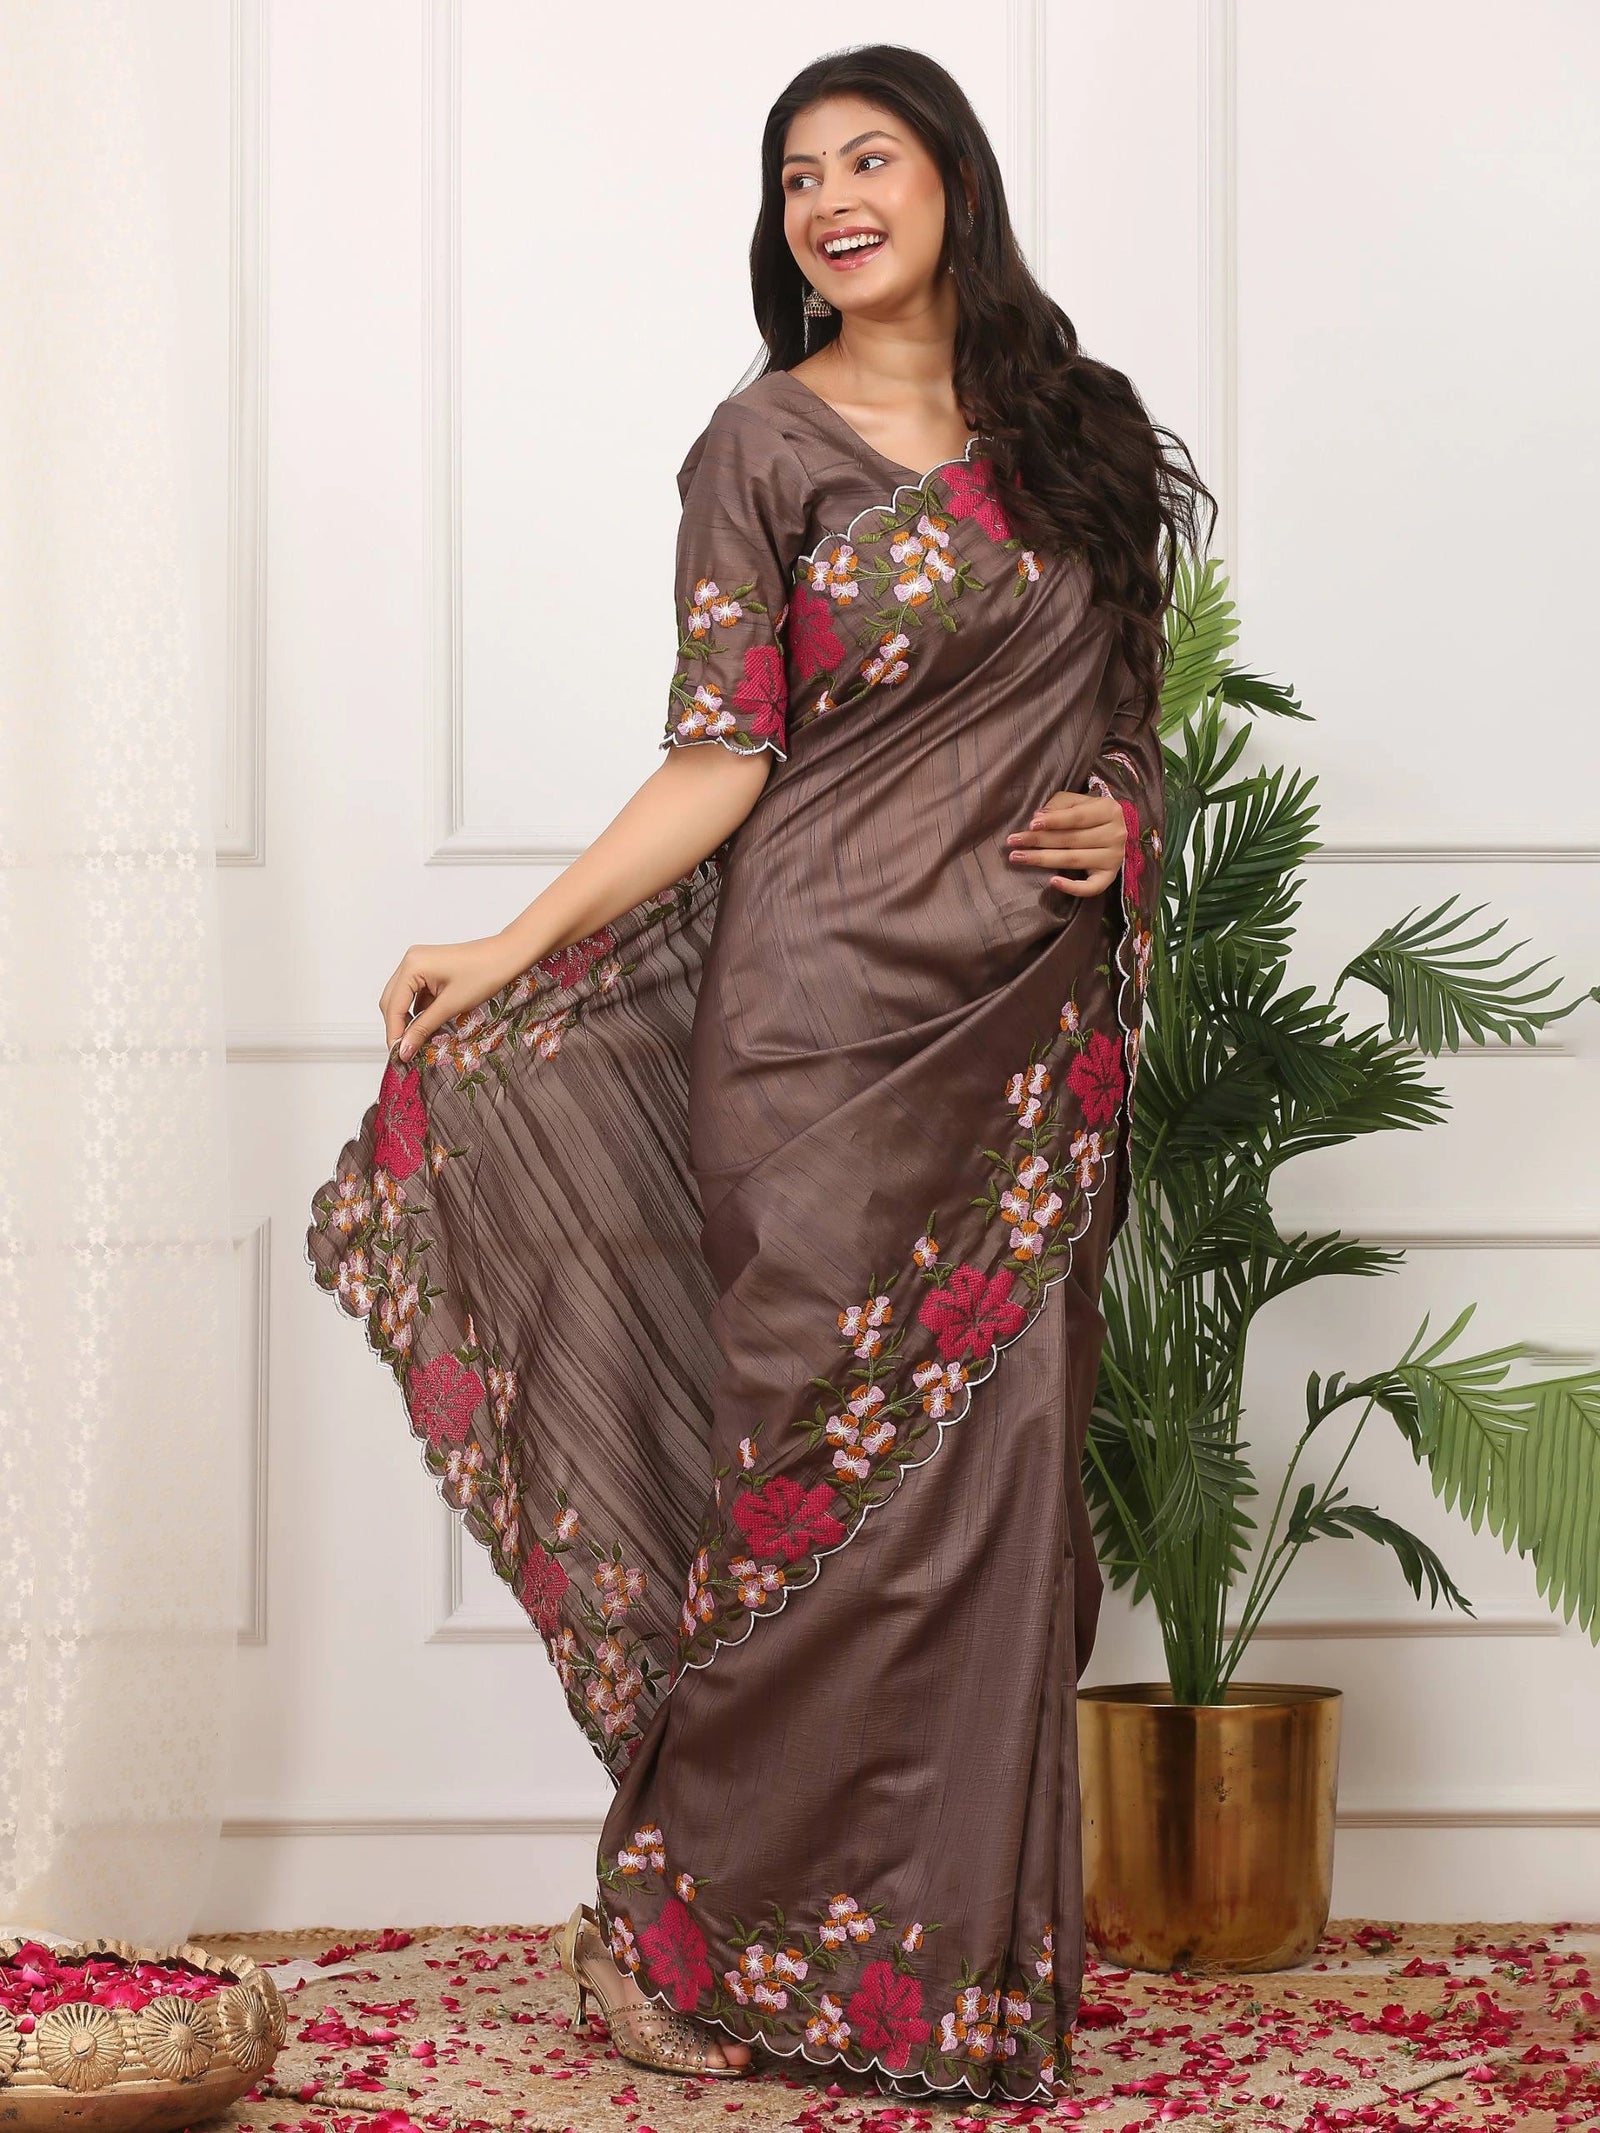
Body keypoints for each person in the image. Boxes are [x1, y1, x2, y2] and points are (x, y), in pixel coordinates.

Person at [306, 41, 1212, 2103]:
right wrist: (507, 942)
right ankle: (678, 1923)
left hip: (1015, 1045)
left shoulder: (1078, 435)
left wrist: (1117, 816)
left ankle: (943, 1983)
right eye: (795, 173)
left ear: (950, 180)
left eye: (864, 156)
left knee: (989, 1519)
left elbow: (1127, 709)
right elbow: (723, 749)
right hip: (812, 1031)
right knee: (809, 1513)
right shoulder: (759, 442)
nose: (827, 197)